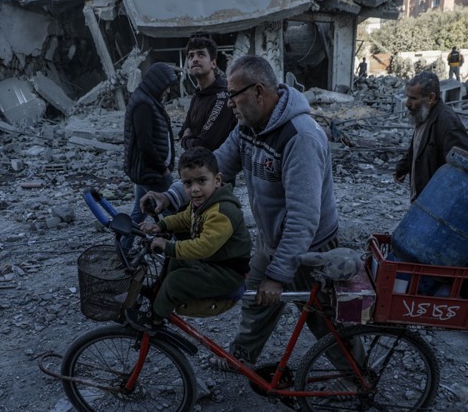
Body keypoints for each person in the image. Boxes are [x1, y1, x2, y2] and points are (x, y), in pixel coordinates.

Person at [143, 55, 340, 368]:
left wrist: (278, 276)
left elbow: (304, 218)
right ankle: (243, 358)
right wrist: (169, 198)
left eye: (233, 95)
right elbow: (215, 166)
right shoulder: (250, 127)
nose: (228, 103)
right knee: (256, 302)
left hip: (309, 247)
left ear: (258, 92)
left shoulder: (299, 137)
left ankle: (359, 380)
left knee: (322, 320)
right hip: (271, 238)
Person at [134, 147, 251, 330]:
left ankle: (154, 319)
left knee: (175, 282)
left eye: (201, 181)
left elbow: (204, 247)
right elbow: (184, 218)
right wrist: (162, 226)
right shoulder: (202, 204)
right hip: (213, 264)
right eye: (188, 183)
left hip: (227, 273)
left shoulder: (222, 212)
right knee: (174, 263)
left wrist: (169, 246)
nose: (195, 189)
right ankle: (158, 293)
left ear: (217, 180)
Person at [122, 62, 178, 252]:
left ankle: (122, 250)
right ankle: (181, 254)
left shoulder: (146, 100)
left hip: (144, 170)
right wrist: (163, 169)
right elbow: (145, 144)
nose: (168, 91)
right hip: (151, 171)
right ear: (157, 84)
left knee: (139, 212)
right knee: (173, 211)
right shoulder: (144, 105)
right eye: (166, 86)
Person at [394, 71, 468, 202]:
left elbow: (462, 170)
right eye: (408, 97)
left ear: (431, 98)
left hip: (436, 202)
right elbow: (417, 148)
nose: (407, 103)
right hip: (422, 198)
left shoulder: (447, 123)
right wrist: (402, 168)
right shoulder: (423, 114)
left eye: (413, 98)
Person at [178, 35, 236, 154]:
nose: (195, 59)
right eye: (191, 56)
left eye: (201, 54)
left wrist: (185, 140)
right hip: (197, 166)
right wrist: (187, 137)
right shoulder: (197, 96)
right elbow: (183, 129)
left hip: (217, 169)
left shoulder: (222, 97)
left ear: (213, 63)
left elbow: (204, 145)